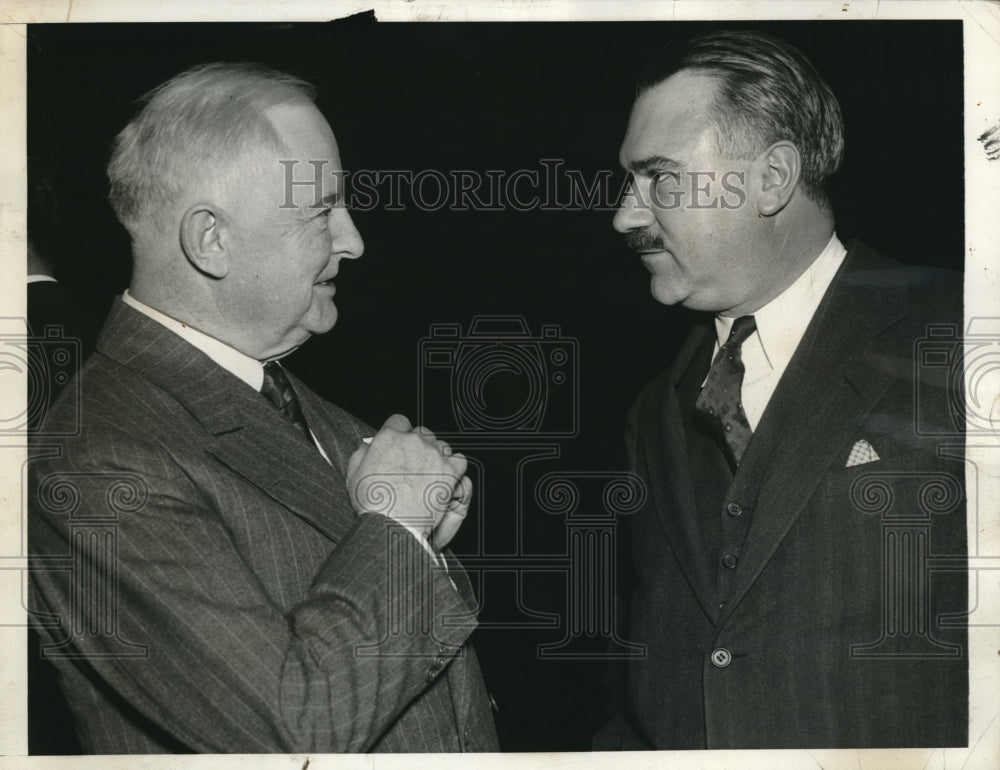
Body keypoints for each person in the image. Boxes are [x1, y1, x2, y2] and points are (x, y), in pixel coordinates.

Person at [28, 62, 498, 754]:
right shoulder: (98, 460)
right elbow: (290, 730)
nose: (354, 240)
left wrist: (416, 540)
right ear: (210, 240)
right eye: (321, 211)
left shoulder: (306, 409)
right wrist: (398, 529)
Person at [595, 30, 967, 749]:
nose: (625, 214)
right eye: (628, 182)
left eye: (661, 178)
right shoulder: (656, 412)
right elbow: (643, 683)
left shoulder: (960, 334)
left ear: (772, 178)